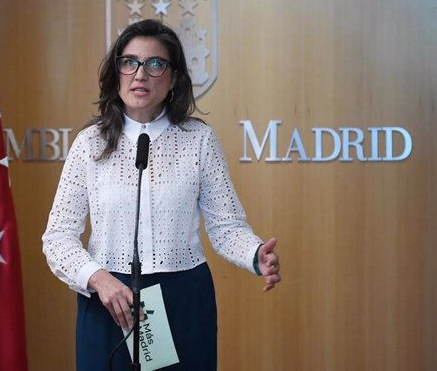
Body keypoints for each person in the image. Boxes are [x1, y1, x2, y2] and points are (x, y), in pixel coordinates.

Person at [42, 19, 281, 370]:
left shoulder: (198, 140)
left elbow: (226, 226)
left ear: (173, 79)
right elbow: (58, 237)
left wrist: (255, 253)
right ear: (117, 73)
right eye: (130, 62)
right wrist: (98, 277)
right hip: (110, 298)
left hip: (182, 298)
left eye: (155, 64)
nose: (140, 74)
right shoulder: (89, 143)